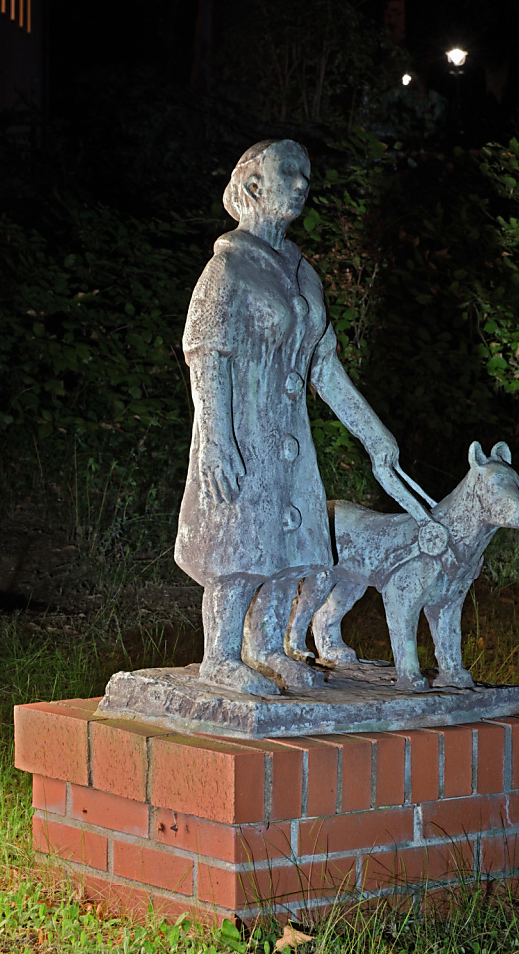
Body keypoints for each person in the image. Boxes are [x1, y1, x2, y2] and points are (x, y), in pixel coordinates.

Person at [174, 139, 407, 695]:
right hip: (243, 431)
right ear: (252, 186)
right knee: (241, 541)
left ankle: (268, 648)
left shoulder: (304, 274)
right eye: (288, 173)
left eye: (307, 174)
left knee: (291, 545)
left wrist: (376, 437)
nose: (302, 183)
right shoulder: (228, 266)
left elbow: (323, 368)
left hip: (290, 438)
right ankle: (221, 656)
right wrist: (215, 440)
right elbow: (206, 354)